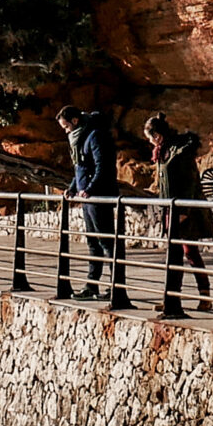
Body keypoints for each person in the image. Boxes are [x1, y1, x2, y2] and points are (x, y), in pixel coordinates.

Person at [146, 114, 213, 312]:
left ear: (157, 136)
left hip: (185, 211)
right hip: (172, 209)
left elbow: (189, 183)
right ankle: (172, 297)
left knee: (189, 253)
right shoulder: (164, 152)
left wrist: (183, 211)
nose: (149, 142)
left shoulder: (179, 152)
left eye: (150, 138)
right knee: (174, 255)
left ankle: (204, 297)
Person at [58, 106, 119, 300]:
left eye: (66, 126)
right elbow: (81, 168)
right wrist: (73, 187)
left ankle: (115, 285)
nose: (66, 131)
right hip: (88, 198)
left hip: (98, 197)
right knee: (93, 242)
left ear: (75, 121)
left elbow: (102, 166)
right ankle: (92, 285)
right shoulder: (80, 137)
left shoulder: (94, 136)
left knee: (106, 242)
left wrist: (90, 188)